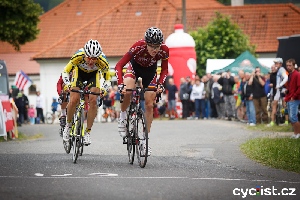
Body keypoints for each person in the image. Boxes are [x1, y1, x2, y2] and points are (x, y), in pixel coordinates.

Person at [115, 27, 168, 156]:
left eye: (157, 46)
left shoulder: (164, 50)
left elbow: (165, 70)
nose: (155, 50)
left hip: (150, 73)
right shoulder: (138, 46)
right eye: (152, 46)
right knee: (127, 91)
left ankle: (144, 140)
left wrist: (161, 84)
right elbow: (119, 65)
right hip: (134, 68)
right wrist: (120, 84)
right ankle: (122, 118)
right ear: (146, 43)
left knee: (150, 104)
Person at [62, 39, 110, 145]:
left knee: (93, 100)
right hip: (79, 73)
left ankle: (87, 132)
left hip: (94, 75)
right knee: (74, 99)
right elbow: (65, 71)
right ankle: (68, 126)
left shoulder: (103, 61)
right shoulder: (78, 56)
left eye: (94, 59)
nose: (91, 61)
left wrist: (104, 89)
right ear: (85, 54)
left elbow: (107, 79)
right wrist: (67, 84)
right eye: (89, 57)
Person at [266, 58, 289, 127]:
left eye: (276, 63)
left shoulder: (281, 69)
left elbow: (286, 78)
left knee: (284, 106)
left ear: (280, 63)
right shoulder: (279, 70)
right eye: (275, 63)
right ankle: (273, 122)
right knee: (274, 105)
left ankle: (286, 122)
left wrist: (279, 85)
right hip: (278, 91)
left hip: (282, 90)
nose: (275, 64)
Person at [284, 59, 300, 139]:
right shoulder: (290, 75)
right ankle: (295, 133)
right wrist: (287, 91)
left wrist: (294, 96)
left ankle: (298, 133)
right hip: (290, 97)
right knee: (291, 117)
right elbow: (291, 86)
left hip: (295, 99)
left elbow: (299, 87)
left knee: (294, 117)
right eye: (287, 65)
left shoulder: (297, 74)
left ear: (294, 65)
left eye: (290, 65)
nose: (288, 67)